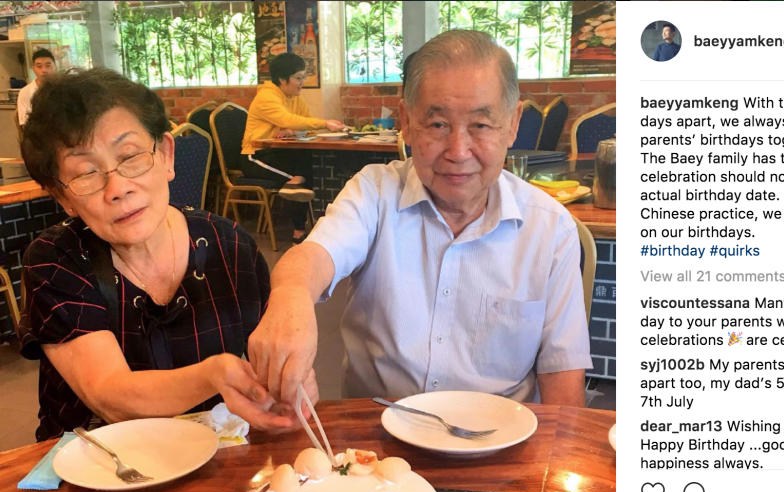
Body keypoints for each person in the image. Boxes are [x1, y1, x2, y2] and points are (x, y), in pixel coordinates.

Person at [248, 30, 592, 408]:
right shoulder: (375, 193)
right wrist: (290, 298)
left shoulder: (550, 228)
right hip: (377, 445)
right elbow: (312, 257)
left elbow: (562, 376)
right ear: (407, 122)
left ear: (512, 124)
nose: (458, 151)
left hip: (499, 443)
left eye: (480, 125)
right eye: (437, 125)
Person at [17, 68, 317, 441]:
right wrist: (213, 375)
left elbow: (270, 358)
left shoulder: (230, 246)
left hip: (214, 460)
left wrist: (290, 379)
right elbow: (109, 394)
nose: (118, 188)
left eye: (130, 156)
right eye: (86, 173)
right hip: (98, 470)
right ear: (63, 197)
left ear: (167, 155)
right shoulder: (55, 259)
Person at [241, 52, 346, 243]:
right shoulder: (266, 97)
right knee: (298, 179)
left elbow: (301, 123)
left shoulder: (294, 96)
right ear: (282, 79)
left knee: (310, 164)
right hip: (255, 156)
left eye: (303, 77)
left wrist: (293, 129)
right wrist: (324, 123)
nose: (302, 82)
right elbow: (289, 119)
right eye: (298, 78)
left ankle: (303, 227)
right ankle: (299, 231)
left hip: (277, 152)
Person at [17, 48, 57, 126]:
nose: (44, 70)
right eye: (39, 66)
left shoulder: (63, 88)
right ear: (33, 69)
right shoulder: (25, 92)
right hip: (37, 134)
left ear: (55, 66)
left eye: (48, 65)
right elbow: (24, 123)